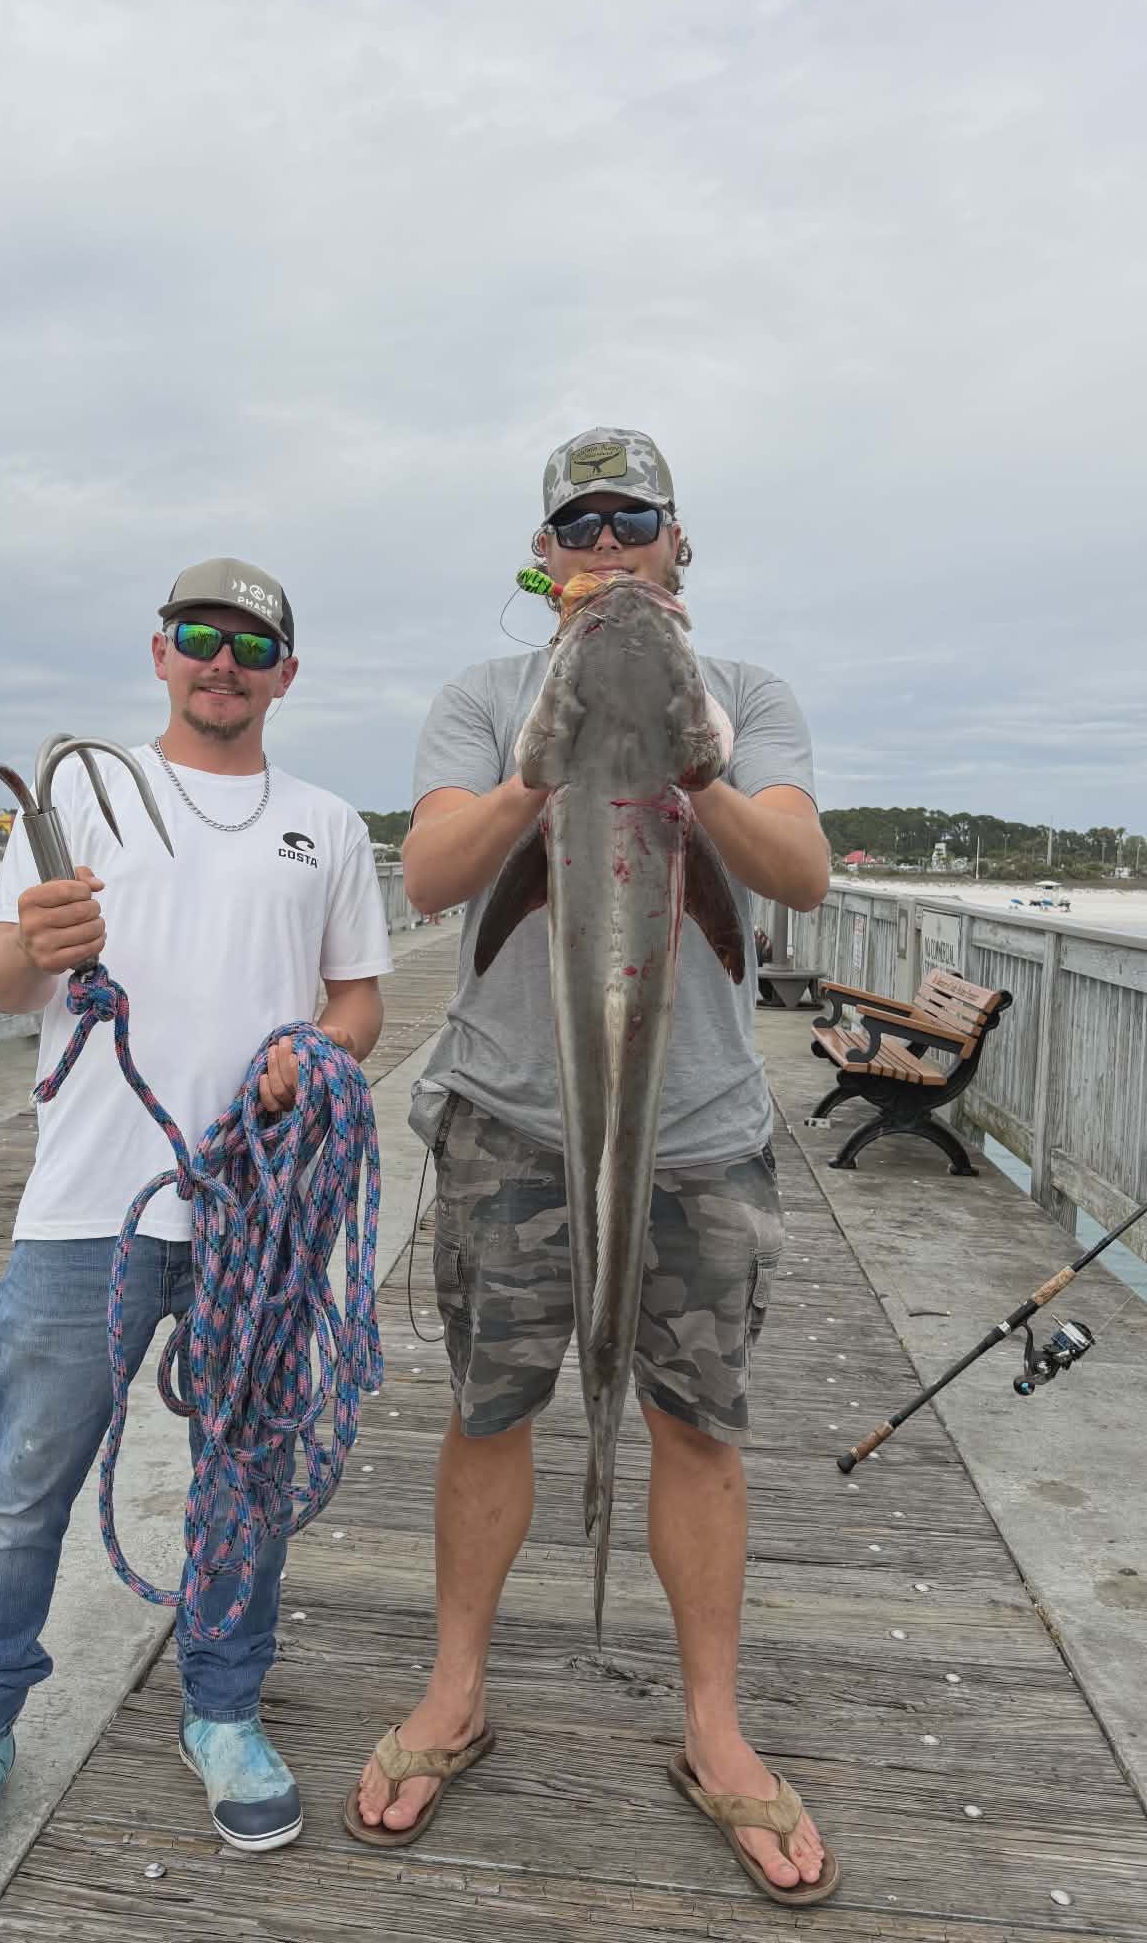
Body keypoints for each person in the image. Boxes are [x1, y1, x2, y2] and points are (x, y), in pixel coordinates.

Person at [347, 430, 838, 1906]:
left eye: (635, 520)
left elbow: (797, 873)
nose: (609, 545)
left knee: (697, 1422)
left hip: (700, 1133)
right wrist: (543, 767)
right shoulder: (481, 698)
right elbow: (436, 875)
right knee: (490, 1404)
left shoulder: (745, 698)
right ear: (543, 556)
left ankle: (713, 1727)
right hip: (510, 1122)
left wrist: (693, 767)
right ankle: (455, 1692)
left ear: (681, 543)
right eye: (581, 525)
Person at [0, 557, 393, 1902]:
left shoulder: (327, 825)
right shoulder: (68, 806)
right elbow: (4, 985)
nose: (224, 660)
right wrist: (33, 941)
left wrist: (315, 1053)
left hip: (254, 1216)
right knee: (21, 1492)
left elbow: (358, 1000)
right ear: (160, 652)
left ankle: (221, 1713)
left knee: (245, 1482)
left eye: (252, 645)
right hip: (81, 1213)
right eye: (199, 635)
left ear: (287, 674)